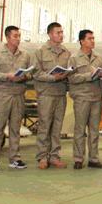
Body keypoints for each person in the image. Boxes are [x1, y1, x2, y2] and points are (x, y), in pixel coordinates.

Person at [0, 25, 33, 170]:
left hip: (18, 94)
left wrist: (24, 76)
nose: (18, 39)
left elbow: (31, 73)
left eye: (19, 36)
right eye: (15, 36)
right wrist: (7, 76)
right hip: (3, 93)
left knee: (15, 128)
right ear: (7, 37)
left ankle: (15, 158)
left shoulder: (25, 55)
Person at [68, 29, 102, 170]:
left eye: (93, 38)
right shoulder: (74, 58)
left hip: (96, 97)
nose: (93, 41)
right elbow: (71, 78)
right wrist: (89, 76)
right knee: (80, 130)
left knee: (94, 130)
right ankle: (78, 159)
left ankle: (93, 159)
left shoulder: (99, 58)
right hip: (82, 97)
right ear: (82, 41)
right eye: (89, 38)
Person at [32, 22, 71, 169]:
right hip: (46, 93)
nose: (61, 35)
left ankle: (54, 156)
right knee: (44, 125)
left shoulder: (66, 52)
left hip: (60, 93)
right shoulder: (40, 52)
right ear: (50, 34)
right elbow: (36, 73)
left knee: (57, 127)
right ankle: (42, 157)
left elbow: (69, 71)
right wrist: (53, 77)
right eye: (58, 32)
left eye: (62, 32)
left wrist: (67, 74)